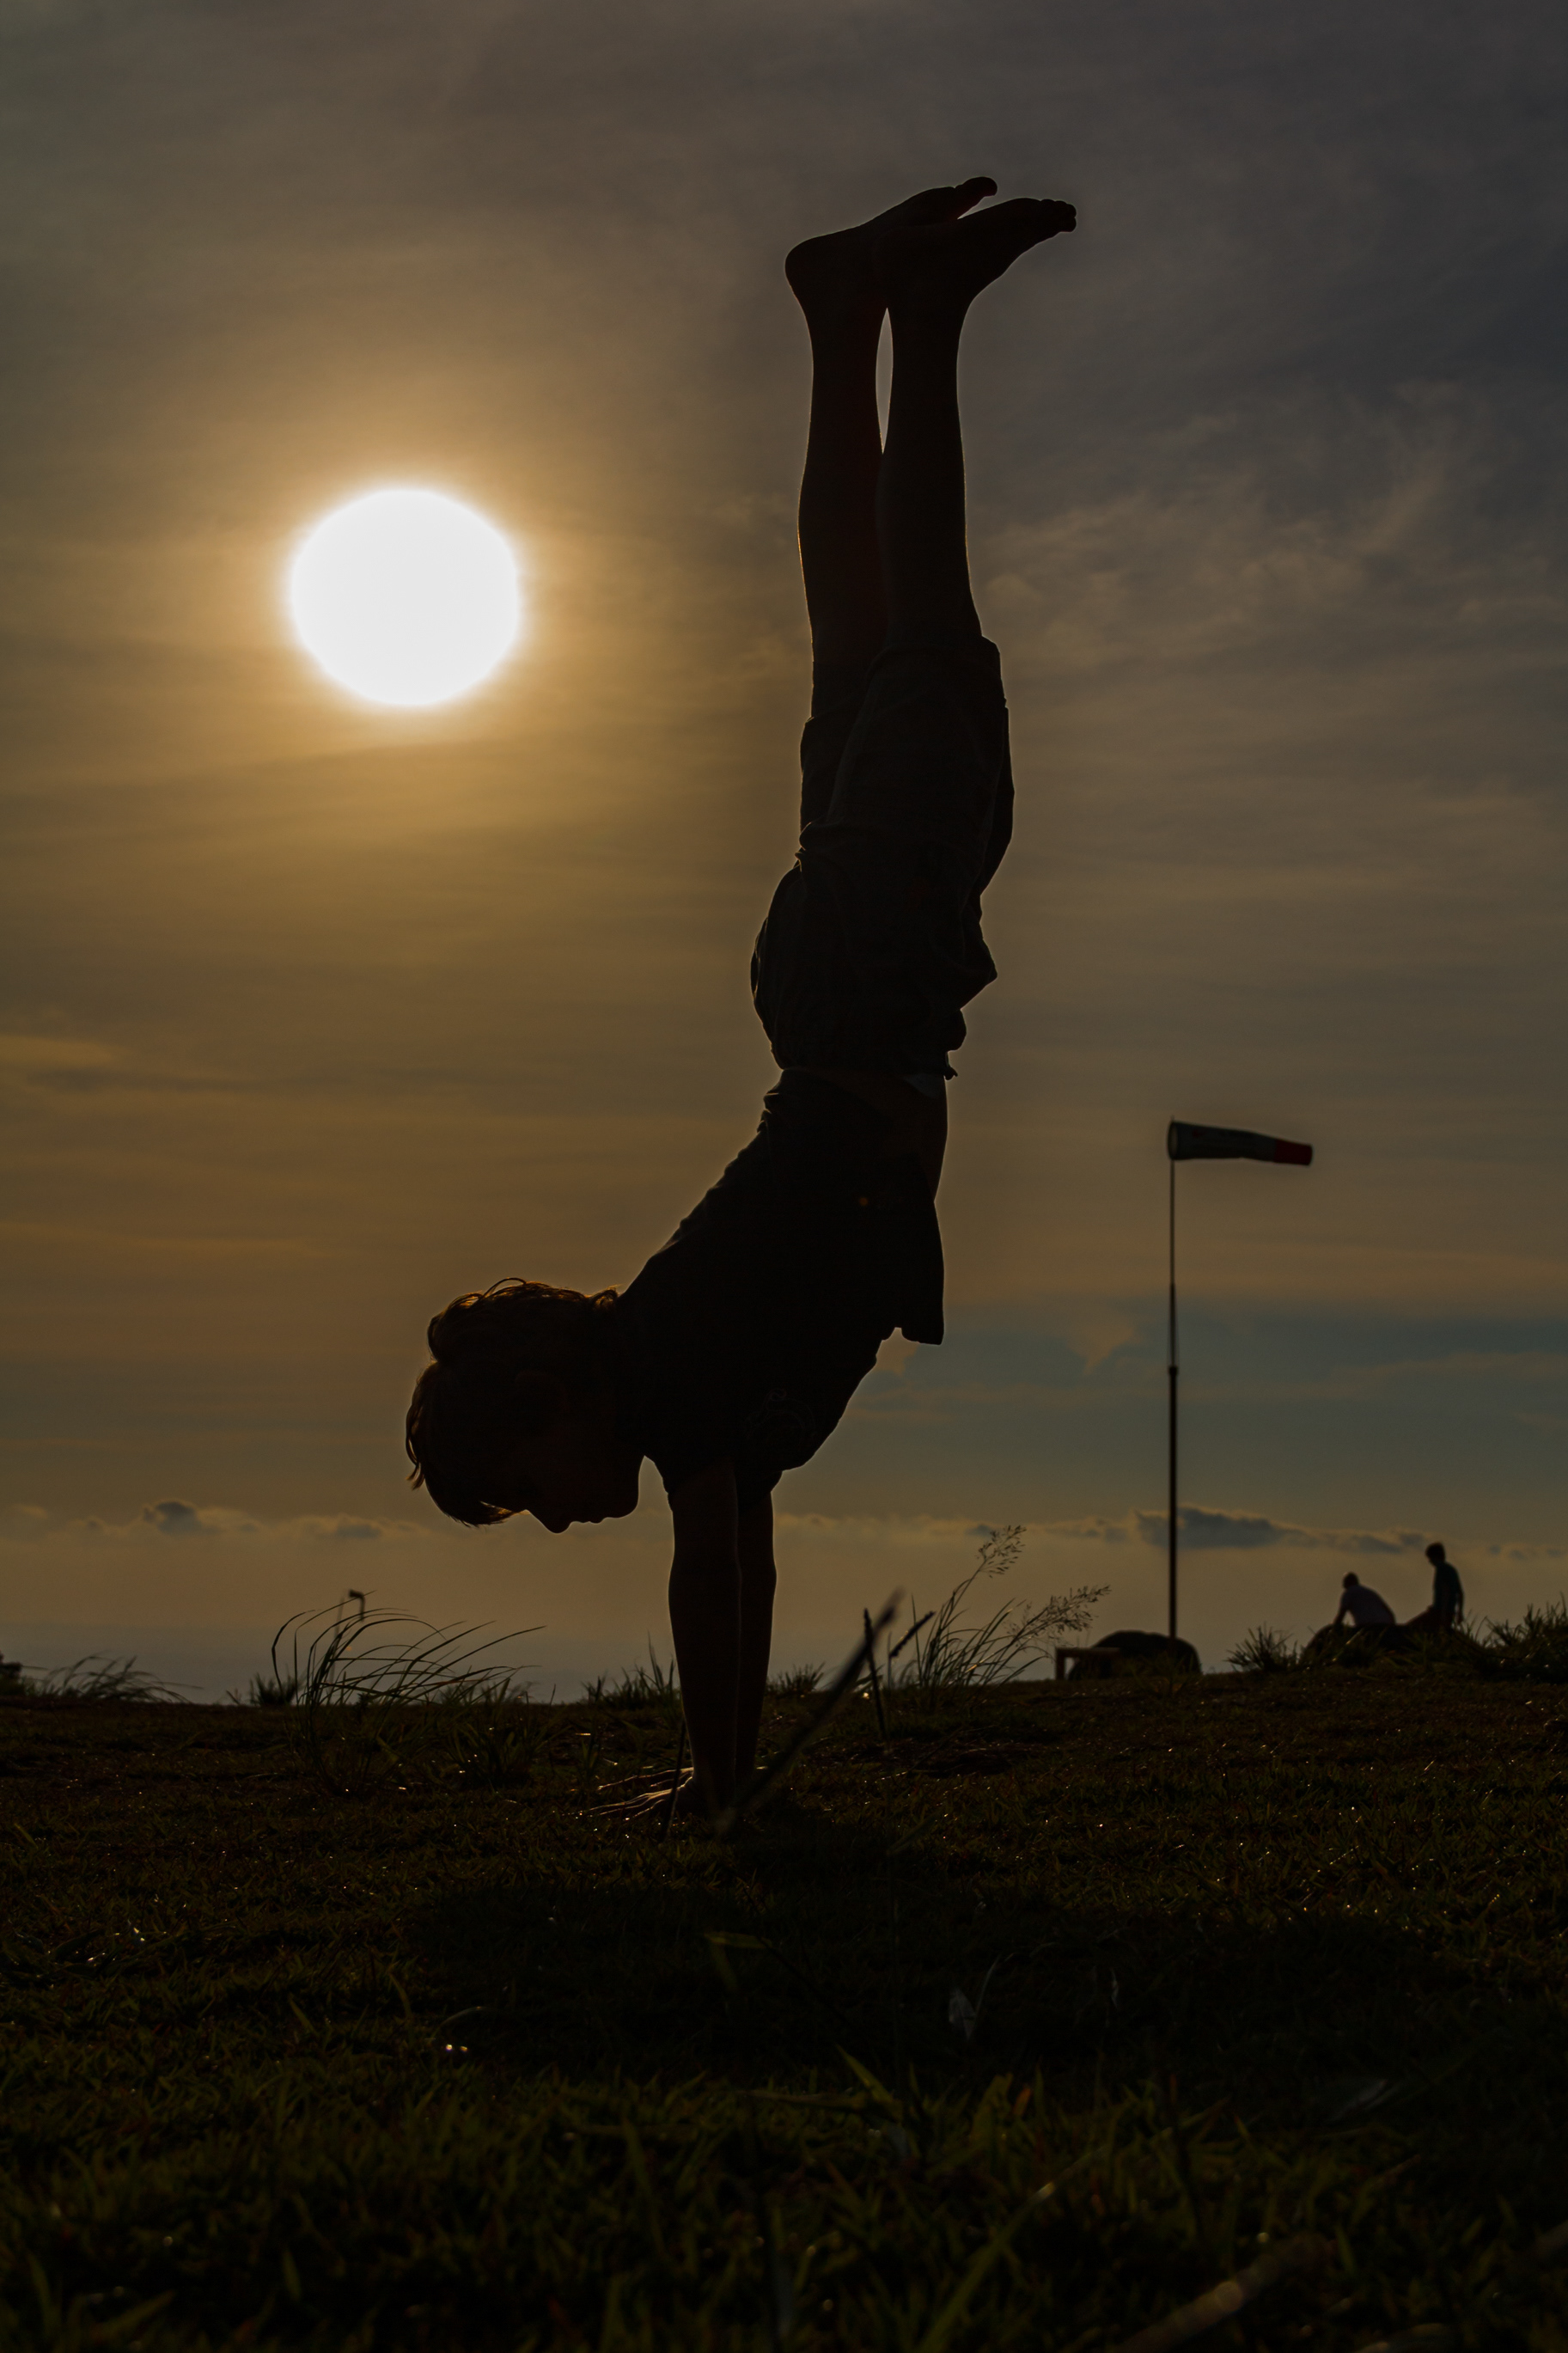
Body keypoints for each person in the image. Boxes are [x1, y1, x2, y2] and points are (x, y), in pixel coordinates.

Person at [404, 178, 1077, 1816]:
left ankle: (919, 317)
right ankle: (845, 317)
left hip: (865, 989)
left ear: (555, 1402)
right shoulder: (676, 1353)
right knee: (859, 646)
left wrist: (718, 1788)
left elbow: (712, 1580)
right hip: (828, 988)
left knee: (923, 623)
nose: (562, 1518)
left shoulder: (679, 1371)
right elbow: (736, 1554)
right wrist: (726, 1775)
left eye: (531, 1487)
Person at [1333, 1571, 1397, 1630]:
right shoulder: (1369, 1592)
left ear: (1346, 1584)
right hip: (1386, 1624)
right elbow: (1387, 1610)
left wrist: (1333, 1628)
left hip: (1368, 1626)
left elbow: (1341, 1614)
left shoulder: (1348, 1593)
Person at [1423, 1540, 1465, 1632]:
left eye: (1430, 1558)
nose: (1429, 1561)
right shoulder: (1452, 1570)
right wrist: (1460, 1612)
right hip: (1449, 1611)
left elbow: (1446, 1592)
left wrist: (1442, 1613)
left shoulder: (1441, 1569)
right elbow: (1460, 1593)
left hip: (1441, 1612)